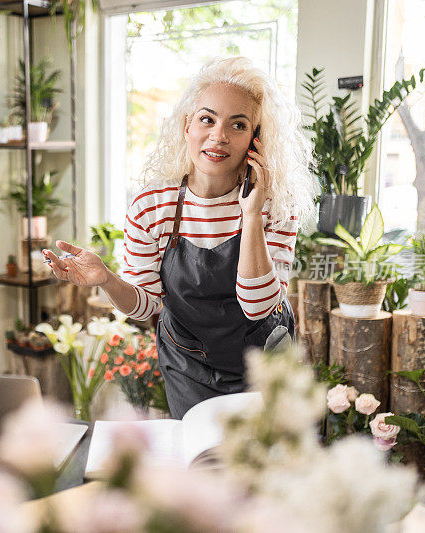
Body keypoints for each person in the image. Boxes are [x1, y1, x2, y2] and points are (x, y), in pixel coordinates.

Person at [43, 57, 318, 418]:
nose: (218, 136)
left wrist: (251, 214)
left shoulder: (277, 205)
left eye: (238, 125)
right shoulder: (151, 206)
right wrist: (106, 279)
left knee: (263, 465)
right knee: (200, 460)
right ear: (187, 125)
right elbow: (147, 306)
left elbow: (258, 306)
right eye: (207, 119)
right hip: (189, 364)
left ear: (256, 140)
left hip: (265, 359)